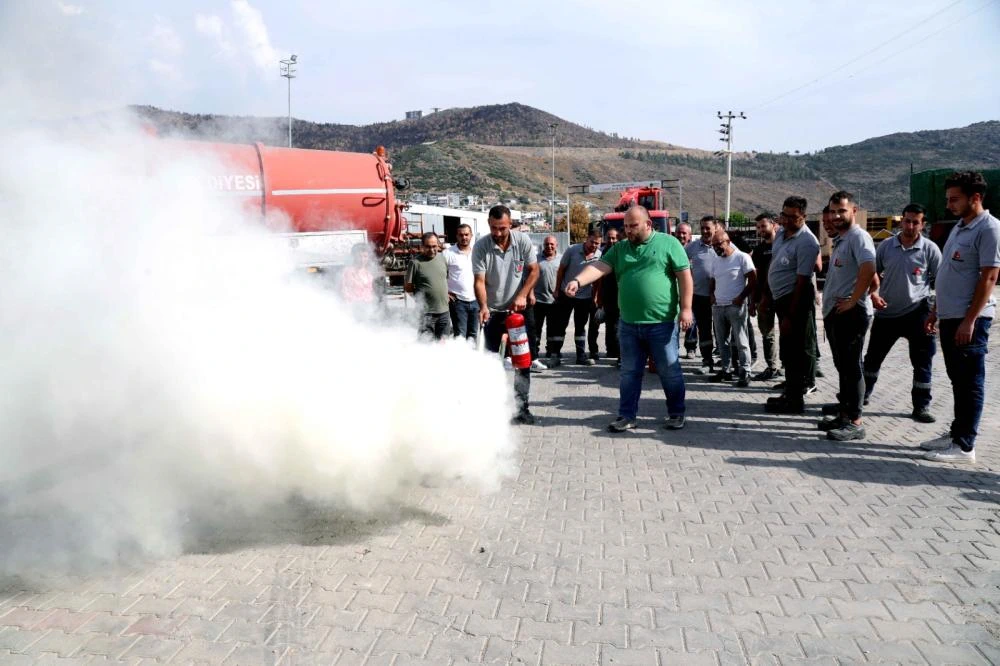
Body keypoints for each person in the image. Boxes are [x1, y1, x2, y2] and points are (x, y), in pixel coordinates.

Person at [564, 206, 694, 431]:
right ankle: (627, 416)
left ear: (648, 224)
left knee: (669, 371)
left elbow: (685, 277)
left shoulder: (669, 244)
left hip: (662, 323)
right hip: (629, 324)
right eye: (625, 226)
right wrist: (578, 281)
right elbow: (599, 267)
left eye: (633, 226)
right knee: (629, 373)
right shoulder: (620, 248)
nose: (628, 230)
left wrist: (686, 309)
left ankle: (676, 413)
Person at [921, 171, 1000, 463]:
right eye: (948, 199)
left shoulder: (989, 228)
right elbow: (950, 272)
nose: (949, 205)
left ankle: (965, 445)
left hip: (970, 320)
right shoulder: (960, 226)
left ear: (975, 198)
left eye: (954, 199)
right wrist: (936, 311)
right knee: (958, 380)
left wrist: (970, 320)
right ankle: (957, 433)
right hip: (951, 316)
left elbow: (989, 277)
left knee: (970, 382)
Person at [860, 204, 941, 424]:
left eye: (916, 222)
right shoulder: (886, 246)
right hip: (887, 314)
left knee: (922, 362)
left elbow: (942, 282)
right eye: (907, 221)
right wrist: (873, 295)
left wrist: (934, 312)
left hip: (918, 314)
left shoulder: (930, 249)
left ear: (922, 225)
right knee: (872, 360)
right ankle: (862, 396)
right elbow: (870, 274)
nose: (910, 226)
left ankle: (921, 406)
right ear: (901, 221)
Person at [816, 191, 876, 441]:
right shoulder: (842, 239)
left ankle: (855, 421)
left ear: (853, 210)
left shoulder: (858, 237)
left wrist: (853, 300)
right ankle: (844, 414)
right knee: (844, 367)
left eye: (841, 210)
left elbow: (869, 268)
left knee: (852, 367)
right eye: (833, 211)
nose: (836, 216)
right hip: (837, 314)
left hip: (852, 314)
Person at [473, 205, 540, 425]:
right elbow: (479, 281)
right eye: (494, 228)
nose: (498, 232)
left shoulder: (522, 241)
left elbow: (534, 270)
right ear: (489, 224)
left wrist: (522, 295)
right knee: (493, 362)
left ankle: (521, 408)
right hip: (493, 312)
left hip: (519, 311)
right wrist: (483, 306)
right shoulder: (481, 247)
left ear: (510, 224)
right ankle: (496, 407)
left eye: (502, 228)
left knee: (522, 361)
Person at [764, 196, 821, 414]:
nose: (787, 220)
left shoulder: (807, 242)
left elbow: (802, 281)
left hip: (795, 300)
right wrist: (768, 296)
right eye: (784, 215)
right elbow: (775, 264)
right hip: (780, 299)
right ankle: (790, 392)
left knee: (796, 351)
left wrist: (790, 316)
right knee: (788, 349)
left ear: (803, 216)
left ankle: (795, 400)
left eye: (792, 217)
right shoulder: (781, 233)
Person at [709, 230, 757, 387]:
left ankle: (745, 371)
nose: (716, 248)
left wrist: (742, 298)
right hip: (718, 307)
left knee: (741, 340)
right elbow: (713, 280)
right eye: (713, 245)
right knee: (721, 341)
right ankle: (726, 370)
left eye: (719, 244)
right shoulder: (716, 261)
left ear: (728, 242)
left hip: (735, 306)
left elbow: (753, 280)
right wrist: (712, 295)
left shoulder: (742, 257)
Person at [552, 227, 603, 365]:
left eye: (597, 243)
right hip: (566, 294)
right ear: (586, 239)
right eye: (592, 242)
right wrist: (557, 290)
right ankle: (555, 355)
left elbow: (597, 279)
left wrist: (595, 296)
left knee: (580, 327)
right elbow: (561, 270)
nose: (594, 245)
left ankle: (580, 356)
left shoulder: (599, 255)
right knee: (561, 324)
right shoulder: (572, 250)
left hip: (585, 297)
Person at [750, 213, 782, 380]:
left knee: (787, 333)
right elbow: (755, 277)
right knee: (767, 334)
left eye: (763, 226)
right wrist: (753, 301)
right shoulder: (759, 250)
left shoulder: (783, 245)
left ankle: (787, 365)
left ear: (773, 225)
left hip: (782, 296)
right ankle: (772, 367)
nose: (761, 230)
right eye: (758, 227)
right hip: (763, 299)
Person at [686, 216, 718, 374]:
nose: (705, 231)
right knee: (704, 330)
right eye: (702, 228)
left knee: (723, 331)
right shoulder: (692, 247)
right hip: (699, 296)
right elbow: (680, 264)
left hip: (721, 298)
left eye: (708, 228)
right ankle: (707, 361)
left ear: (715, 228)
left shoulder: (724, 244)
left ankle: (729, 362)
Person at [405, 232, 451, 340]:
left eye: (434, 246)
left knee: (444, 345)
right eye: (428, 247)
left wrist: (446, 294)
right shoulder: (415, 263)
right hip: (426, 314)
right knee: (426, 346)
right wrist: (419, 299)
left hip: (444, 313)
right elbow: (408, 287)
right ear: (422, 246)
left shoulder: (442, 259)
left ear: (438, 245)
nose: (431, 249)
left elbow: (444, 279)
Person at [443, 224, 478, 342]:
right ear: (456, 236)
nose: (464, 237)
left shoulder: (477, 252)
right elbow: (440, 274)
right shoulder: (448, 253)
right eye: (461, 235)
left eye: (466, 234)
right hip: (458, 302)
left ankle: (472, 353)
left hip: (476, 300)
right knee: (460, 336)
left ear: (471, 235)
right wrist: (445, 292)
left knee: (473, 334)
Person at [533, 235, 561, 367]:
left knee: (553, 330)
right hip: (538, 300)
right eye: (546, 244)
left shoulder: (561, 259)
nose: (549, 246)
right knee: (536, 329)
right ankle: (534, 352)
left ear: (556, 245)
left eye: (551, 244)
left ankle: (551, 352)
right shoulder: (535, 259)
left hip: (554, 302)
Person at [596, 226, 622, 364]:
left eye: (614, 238)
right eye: (609, 238)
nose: (611, 241)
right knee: (609, 324)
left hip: (620, 294)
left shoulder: (621, 252)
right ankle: (611, 350)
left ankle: (619, 354)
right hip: (607, 294)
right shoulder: (603, 253)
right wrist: (598, 296)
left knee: (618, 325)